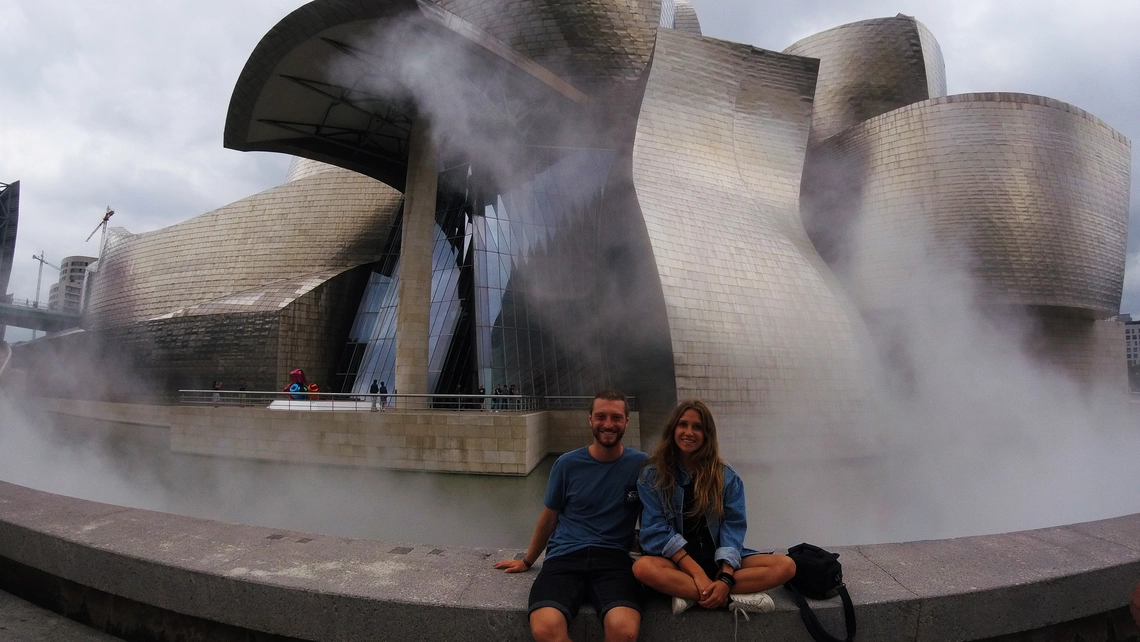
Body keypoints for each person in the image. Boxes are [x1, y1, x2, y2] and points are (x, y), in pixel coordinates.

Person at [494, 389, 647, 642]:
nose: (608, 424)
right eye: (601, 416)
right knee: (545, 628)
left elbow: (655, 516)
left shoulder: (641, 465)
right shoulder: (567, 464)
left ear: (626, 421)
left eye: (616, 417)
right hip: (565, 557)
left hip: (614, 561)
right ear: (590, 419)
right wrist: (528, 560)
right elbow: (549, 517)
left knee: (624, 631)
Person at [633, 399, 796, 616]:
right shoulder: (653, 474)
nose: (689, 432)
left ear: (707, 434)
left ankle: (693, 594)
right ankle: (729, 597)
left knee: (786, 566)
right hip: (680, 564)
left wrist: (726, 577)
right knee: (642, 568)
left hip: (720, 561)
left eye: (697, 427)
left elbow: (733, 528)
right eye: (683, 425)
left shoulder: (726, 477)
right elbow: (655, 530)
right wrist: (698, 573)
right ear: (673, 429)